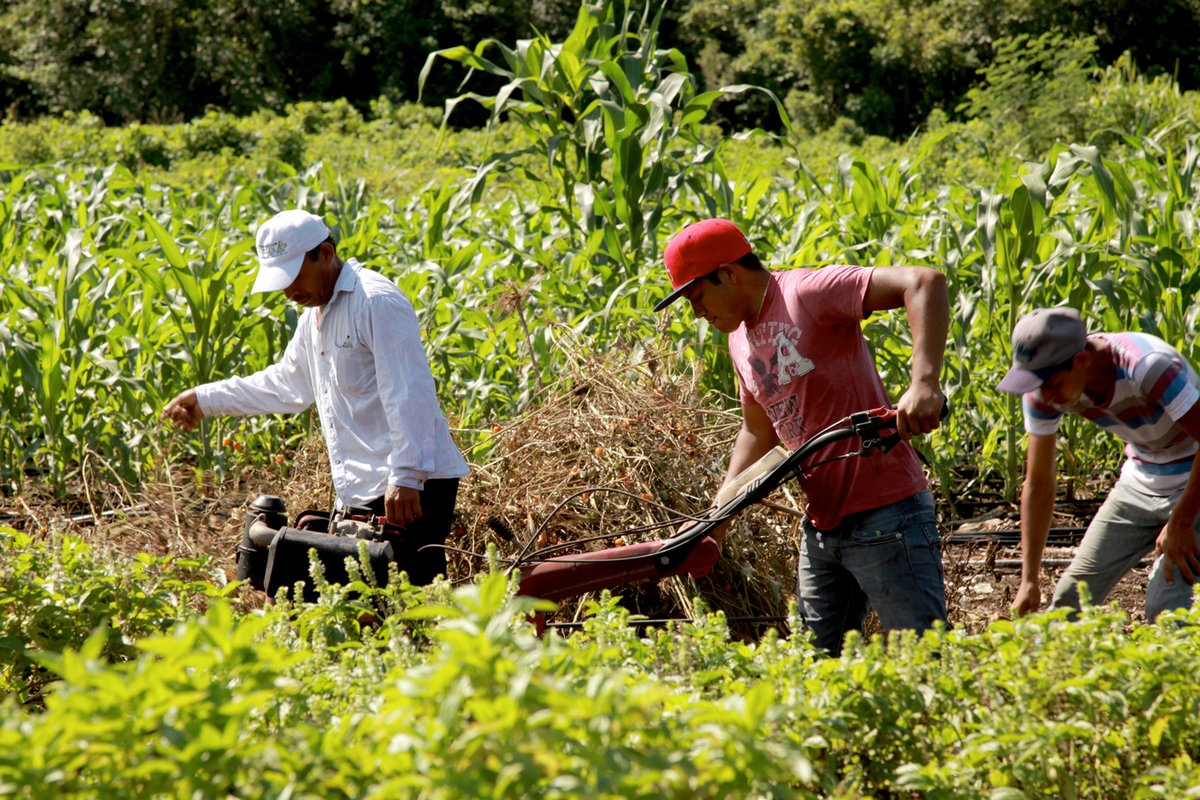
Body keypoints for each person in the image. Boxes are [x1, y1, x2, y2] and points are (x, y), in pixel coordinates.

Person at [654, 218, 950, 656]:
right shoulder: (740, 340)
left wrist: (924, 382)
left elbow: (924, 282)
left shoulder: (806, 293)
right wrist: (717, 519)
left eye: (698, 296)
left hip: (889, 518)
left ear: (730, 274)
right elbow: (757, 430)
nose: (697, 312)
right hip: (822, 528)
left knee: (927, 661)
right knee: (811, 671)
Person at [162, 209, 469, 586]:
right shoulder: (315, 315)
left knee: (406, 608)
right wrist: (205, 399)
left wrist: (406, 475)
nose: (289, 292)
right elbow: (288, 385)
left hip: (410, 488)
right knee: (361, 608)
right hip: (368, 489)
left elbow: (409, 390)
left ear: (324, 253)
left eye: (293, 277)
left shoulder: (375, 302)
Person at [998, 307, 1200, 620]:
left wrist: (1182, 521)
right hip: (1142, 479)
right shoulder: (1043, 392)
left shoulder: (1148, 366)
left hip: (1194, 481)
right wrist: (1029, 579)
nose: (1045, 396)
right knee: (1068, 603)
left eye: (1050, 383)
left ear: (1081, 360)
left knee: (1166, 609)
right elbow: (1038, 483)